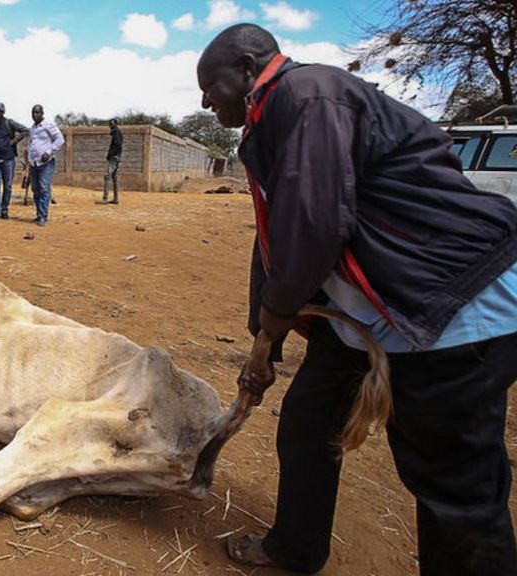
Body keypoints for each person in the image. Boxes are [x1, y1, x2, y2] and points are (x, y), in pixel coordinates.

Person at [197, 23, 517, 575]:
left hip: (447, 307)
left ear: (249, 68)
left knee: (454, 485)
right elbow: (278, 237)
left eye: (210, 85)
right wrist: (263, 339)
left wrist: (274, 321)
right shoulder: (272, 121)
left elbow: (318, 225)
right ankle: (297, 549)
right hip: (365, 319)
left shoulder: (310, 96)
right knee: (308, 420)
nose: (205, 101)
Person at [27, 104, 65, 226]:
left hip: (46, 163)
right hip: (34, 163)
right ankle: (39, 215)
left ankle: (43, 216)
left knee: (44, 188)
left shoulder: (49, 125)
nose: (35, 115)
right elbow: (32, 143)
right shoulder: (32, 128)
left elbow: (60, 139)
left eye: (37, 112)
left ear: (42, 113)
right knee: (36, 189)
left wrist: (48, 152)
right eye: (33, 113)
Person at [96, 118, 122, 204]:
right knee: (114, 177)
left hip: (114, 157)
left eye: (110, 124)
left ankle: (105, 198)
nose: (110, 126)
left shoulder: (116, 132)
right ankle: (115, 198)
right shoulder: (117, 132)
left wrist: (110, 155)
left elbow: (117, 145)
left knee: (107, 176)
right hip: (117, 157)